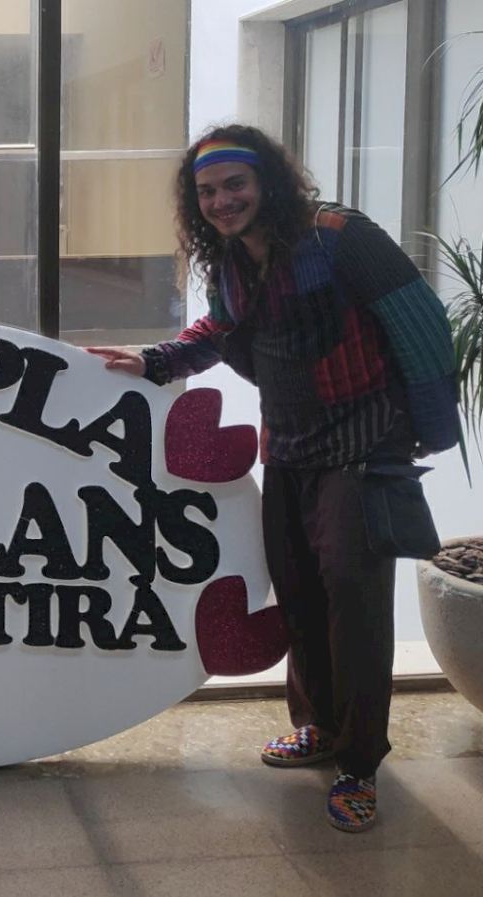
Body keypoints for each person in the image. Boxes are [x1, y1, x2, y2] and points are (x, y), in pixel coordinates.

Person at [88, 124, 459, 833]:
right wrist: (155, 361)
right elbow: (220, 330)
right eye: (207, 192)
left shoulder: (339, 237)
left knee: (352, 597)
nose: (222, 201)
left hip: (362, 446)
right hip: (287, 445)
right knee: (298, 588)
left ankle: (359, 764)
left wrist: (427, 428)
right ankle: (318, 726)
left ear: (268, 183)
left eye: (235, 184)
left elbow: (421, 324)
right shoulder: (233, 261)